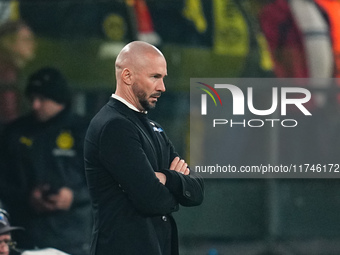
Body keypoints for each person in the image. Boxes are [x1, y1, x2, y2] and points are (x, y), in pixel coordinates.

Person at [84, 41, 204, 255]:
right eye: (155, 77)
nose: (162, 87)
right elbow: (152, 200)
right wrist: (175, 186)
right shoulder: (114, 126)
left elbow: (196, 191)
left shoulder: (154, 128)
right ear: (127, 76)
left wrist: (166, 178)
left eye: (163, 78)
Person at [0, 67, 92, 255]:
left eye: (42, 99)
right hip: (24, 238)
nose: (35, 105)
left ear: (59, 100)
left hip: (73, 241)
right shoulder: (15, 132)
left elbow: (107, 181)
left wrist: (73, 196)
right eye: (32, 98)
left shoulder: (86, 132)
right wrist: (28, 197)